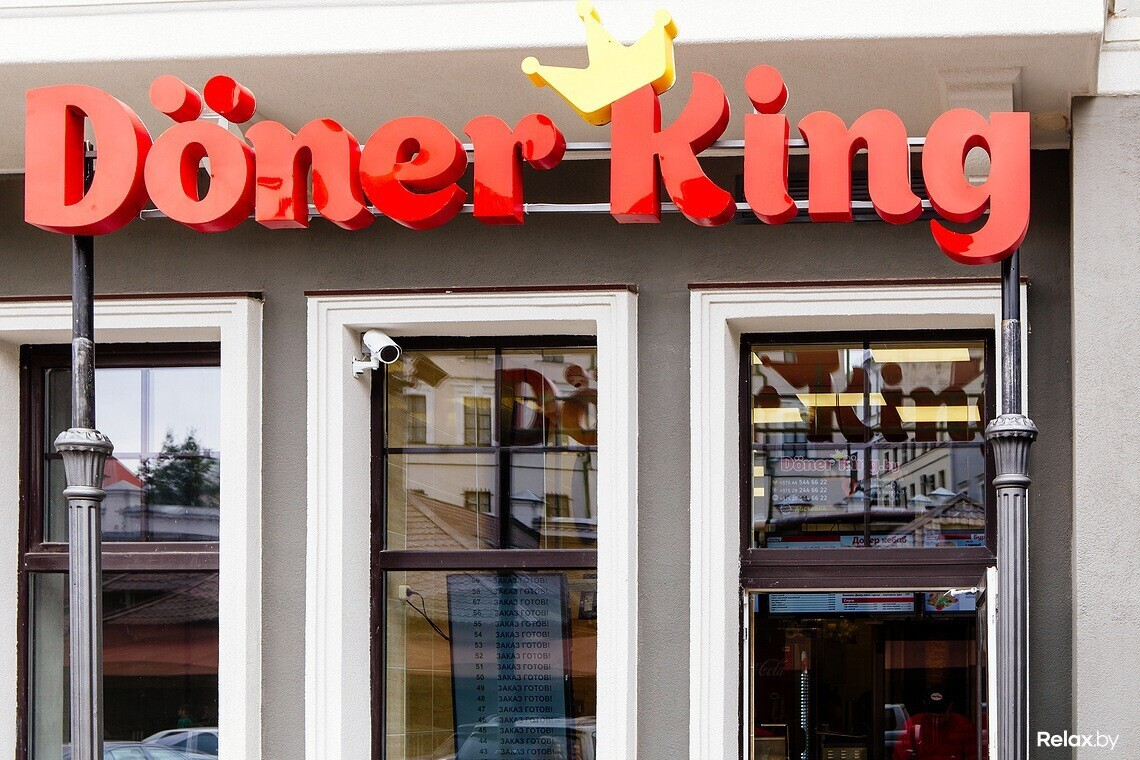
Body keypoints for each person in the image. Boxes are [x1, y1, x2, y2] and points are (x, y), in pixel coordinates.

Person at [893, 687, 977, 760]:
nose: (936, 720)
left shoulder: (963, 725)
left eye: (941, 716)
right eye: (931, 716)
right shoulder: (913, 723)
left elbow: (973, 755)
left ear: (950, 706)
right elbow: (899, 756)